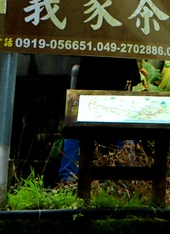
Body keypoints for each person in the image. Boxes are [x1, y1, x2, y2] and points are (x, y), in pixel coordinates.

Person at [59, 56, 142, 184]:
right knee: (126, 134)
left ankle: (67, 179)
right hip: (119, 104)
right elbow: (134, 82)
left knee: (74, 133)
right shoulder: (125, 47)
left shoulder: (94, 42)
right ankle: (126, 181)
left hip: (88, 101)